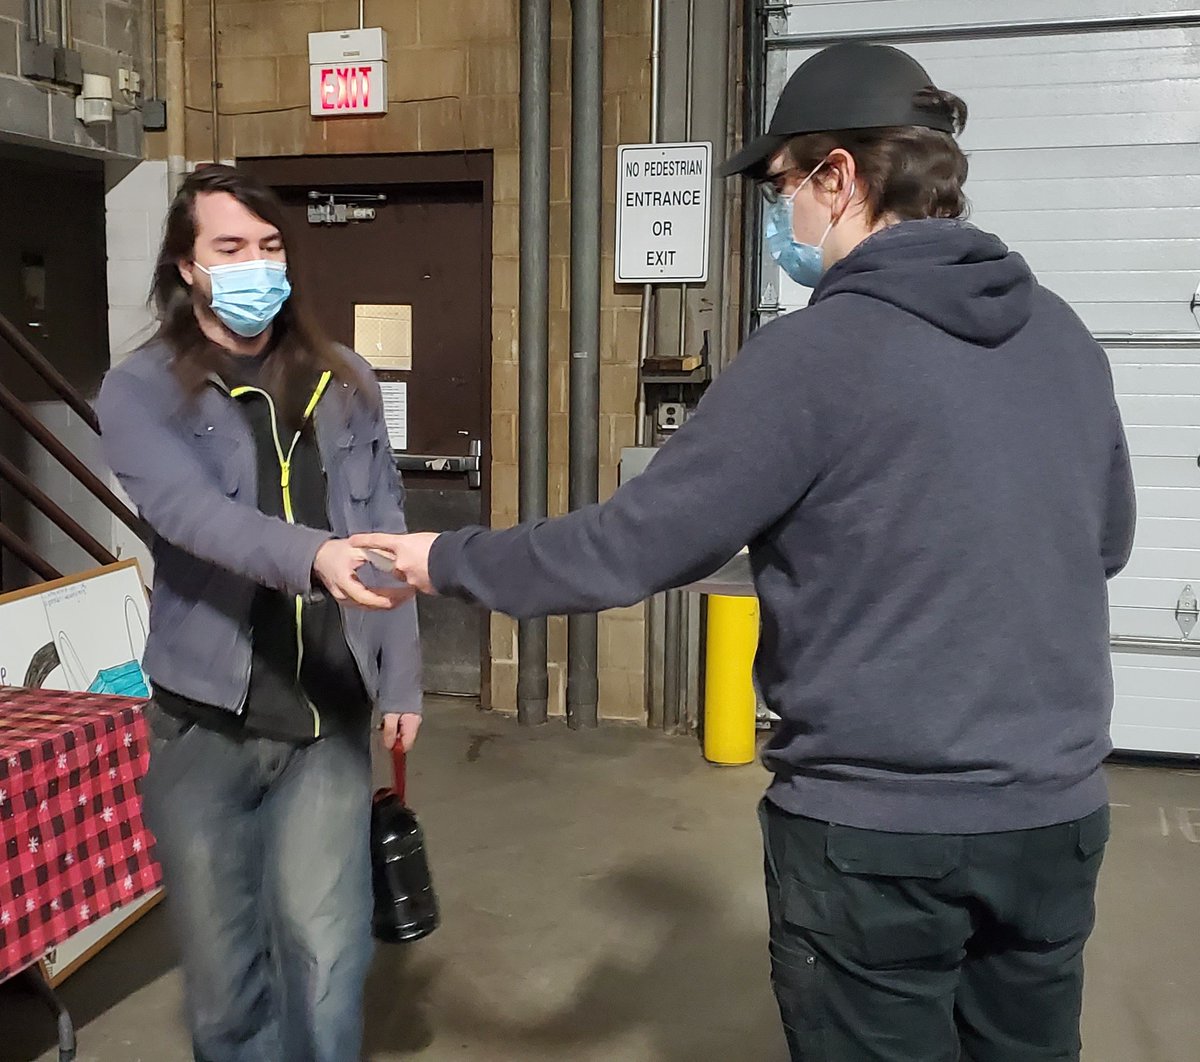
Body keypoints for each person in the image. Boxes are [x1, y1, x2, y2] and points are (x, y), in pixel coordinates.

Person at [351, 41, 1136, 1062]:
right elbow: (1107, 541)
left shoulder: (814, 354)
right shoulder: (1062, 337)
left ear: (840, 176)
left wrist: (441, 560)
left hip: (878, 835)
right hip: (1055, 820)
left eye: (781, 186)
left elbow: (631, 548)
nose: (778, 217)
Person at [96, 165, 422, 1062]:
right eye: (230, 248)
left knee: (325, 957)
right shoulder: (138, 393)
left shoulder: (347, 379)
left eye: (269, 246)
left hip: (328, 718)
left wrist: (403, 673)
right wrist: (311, 556)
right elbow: (193, 517)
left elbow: (383, 525)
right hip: (205, 726)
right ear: (187, 266)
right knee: (225, 979)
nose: (255, 266)